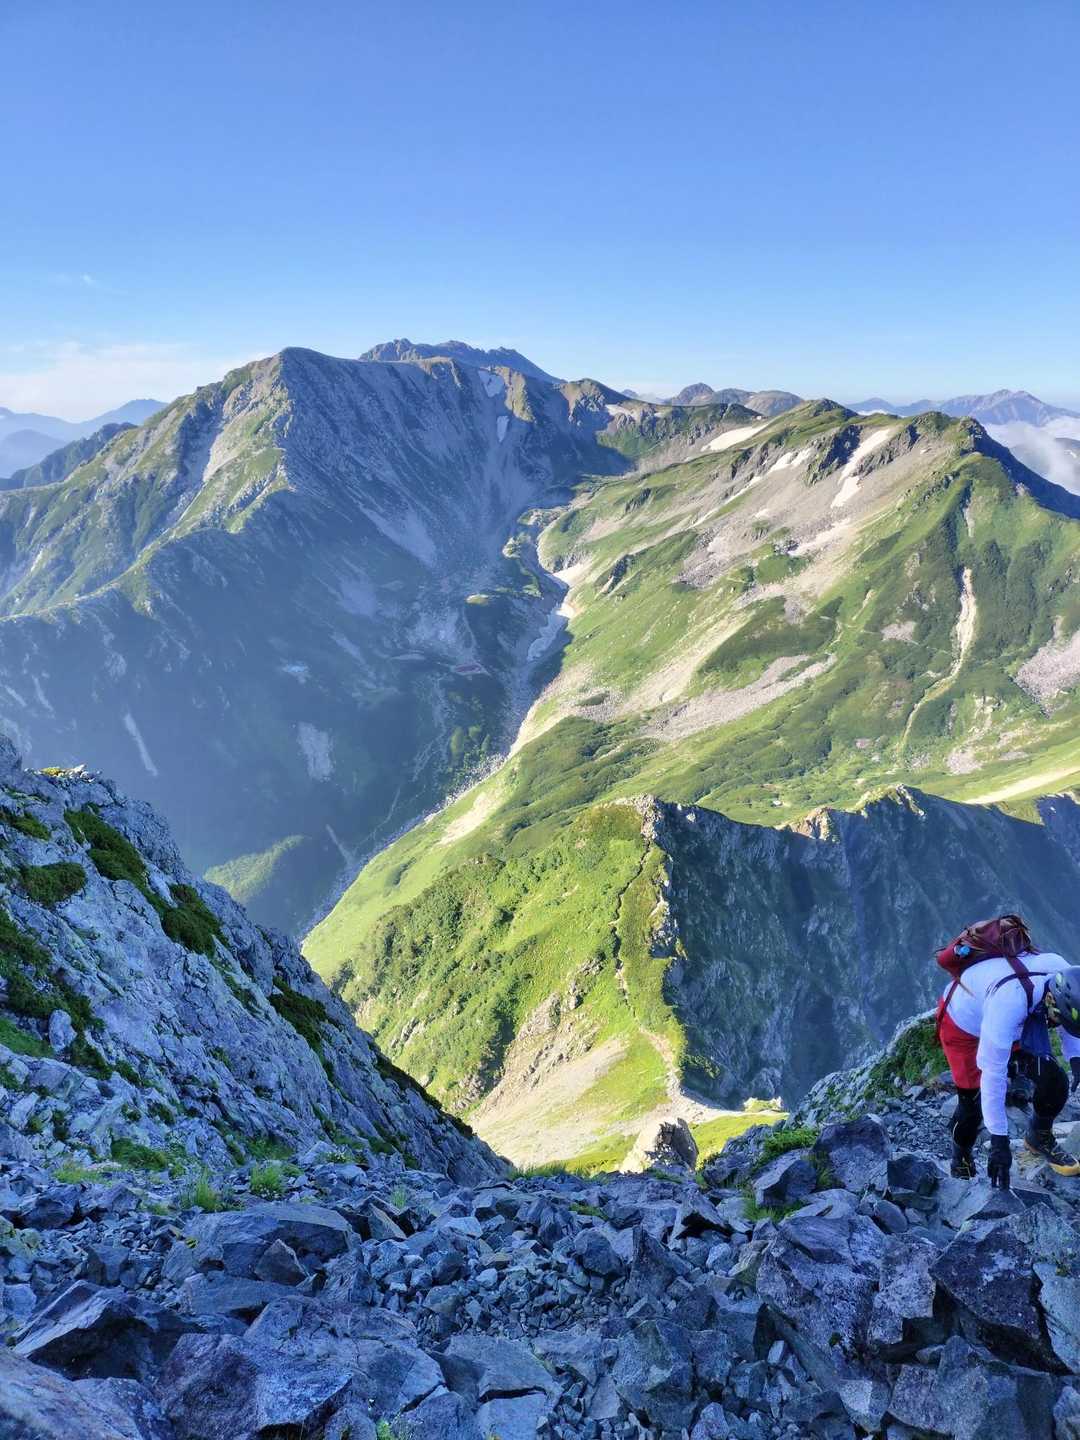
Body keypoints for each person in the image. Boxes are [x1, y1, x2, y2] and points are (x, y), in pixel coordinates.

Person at [936, 914, 1080, 1188]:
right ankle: (960, 1157)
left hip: (1016, 1015)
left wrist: (1076, 1058)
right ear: (1050, 1000)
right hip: (962, 1025)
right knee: (972, 1105)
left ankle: (1038, 1137)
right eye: (1056, 1019)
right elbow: (992, 1072)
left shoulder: (1062, 973)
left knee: (1054, 1081)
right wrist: (999, 1142)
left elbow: (1069, 1020)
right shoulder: (1008, 1004)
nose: (1056, 1026)